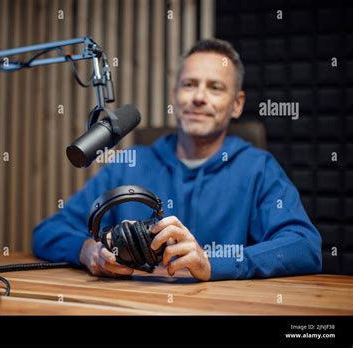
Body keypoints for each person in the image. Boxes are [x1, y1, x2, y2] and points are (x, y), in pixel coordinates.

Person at [32, 38, 322, 281]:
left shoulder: (258, 168)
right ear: (175, 95)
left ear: (237, 104)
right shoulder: (128, 163)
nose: (199, 97)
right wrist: (85, 250)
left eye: (215, 87)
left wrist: (212, 264)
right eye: (189, 84)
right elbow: (48, 232)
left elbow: (304, 247)